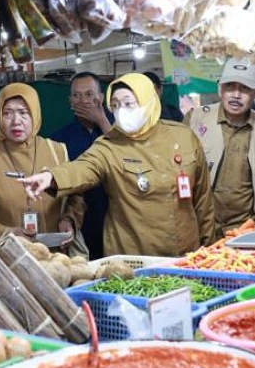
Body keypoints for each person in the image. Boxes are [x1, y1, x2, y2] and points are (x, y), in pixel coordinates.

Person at [20, 73, 217, 257]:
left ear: (148, 101)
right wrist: (51, 178)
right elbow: (84, 167)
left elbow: (203, 201)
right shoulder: (110, 145)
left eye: (129, 104)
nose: (122, 111)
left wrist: (209, 250)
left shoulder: (183, 136)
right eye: (115, 105)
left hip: (186, 253)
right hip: (134, 257)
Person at [0, 83, 87, 256]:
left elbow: (75, 196)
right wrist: (6, 232)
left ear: (35, 113)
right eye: (7, 113)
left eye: (23, 112)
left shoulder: (57, 151)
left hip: (57, 257)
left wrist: (69, 220)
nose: (16, 121)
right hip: (9, 258)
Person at [184, 59, 255, 232]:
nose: (236, 95)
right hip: (200, 226)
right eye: (230, 86)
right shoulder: (195, 120)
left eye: (245, 88)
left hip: (246, 228)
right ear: (219, 88)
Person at [50, 72, 113, 259]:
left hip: (116, 215)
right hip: (81, 220)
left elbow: (123, 158)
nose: (83, 101)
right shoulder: (59, 139)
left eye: (89, 95)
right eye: (77, 95)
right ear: (70, 100)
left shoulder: (118, 128)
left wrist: (102, 121)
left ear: (100, 98)